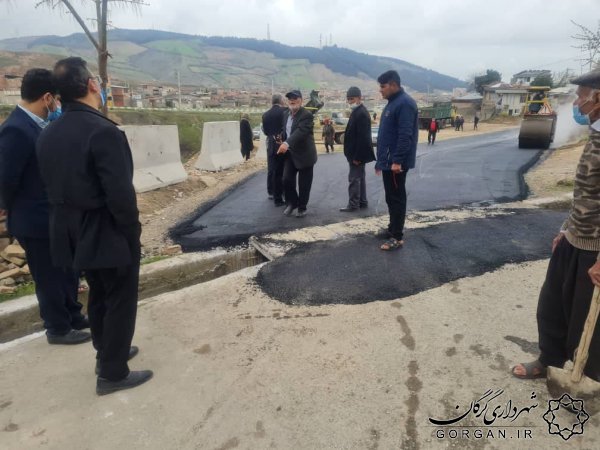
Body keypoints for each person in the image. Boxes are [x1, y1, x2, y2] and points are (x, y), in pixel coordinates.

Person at [36, 57, 152, 395]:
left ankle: (106, 352)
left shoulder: (48, 132)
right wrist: (132, 232)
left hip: (67, 230)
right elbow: (119, 194)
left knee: (99, 293)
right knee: (120, 298)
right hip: (104, 228)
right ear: (90, 85)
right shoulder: (104, 131)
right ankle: (113, 373)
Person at [511, 68, 600, 381]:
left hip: (595, 248)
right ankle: (548, 360)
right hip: (574, 237)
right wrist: (565, 229)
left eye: (581, 96)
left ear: (599, 97)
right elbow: (586, 194)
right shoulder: (596, 134)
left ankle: (586, 377)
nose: (577, 102)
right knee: (552, 305)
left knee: (585, 319)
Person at [0, 68, 90, 345]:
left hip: (51, 217)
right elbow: (5, 178)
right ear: (47, 97)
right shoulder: (15, 129)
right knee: (49, 276)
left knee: (66, 270)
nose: (58, 106)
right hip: (33, 220)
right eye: (57, 100)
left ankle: (73, 315)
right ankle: (58, 328)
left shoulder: (37, 125)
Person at [375, 70, 418, 251]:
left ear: (393, 85)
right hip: (388, 161)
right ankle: (392, 228)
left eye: (383, 87)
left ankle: (397, 237)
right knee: (390, 197)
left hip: (396, 163)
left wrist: (397, 161)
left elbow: (405, 135)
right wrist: (380, 162)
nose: (380, 90)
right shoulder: (393, 103)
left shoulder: (405, 104)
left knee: (397, 198)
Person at [277, 90, 318, 218]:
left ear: (301, 100)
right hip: (291, 154)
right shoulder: (285, 114)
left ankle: (302, 207)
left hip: (305, 155)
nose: (292, 100)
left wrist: (286, 143)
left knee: (304, 184)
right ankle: (293, 202)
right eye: (289, 98)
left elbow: (301, 132)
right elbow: (286, 130)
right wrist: (280, 138)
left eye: (295, 98)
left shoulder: (306, 115)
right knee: (286, 180)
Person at [340, 86, 375, 212]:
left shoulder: (361, 113)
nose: (350, 102)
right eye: (348, 99)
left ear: (359, 98)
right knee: (360, 177)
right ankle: (362, 202)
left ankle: (353, 204)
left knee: (354, 179)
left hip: (357, 155)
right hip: (356, 154)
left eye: (352, 99)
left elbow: (363, 138)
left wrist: (357, 157)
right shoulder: (358, 111)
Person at [262, 94, 286, 206]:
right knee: (283, 170)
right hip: (282, 143)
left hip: (271, 144)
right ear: (281, 101)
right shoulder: (285, 111)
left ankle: (271, 191)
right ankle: (283, 193)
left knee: (272, 169)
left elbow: (266, 132)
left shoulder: (265, 115)